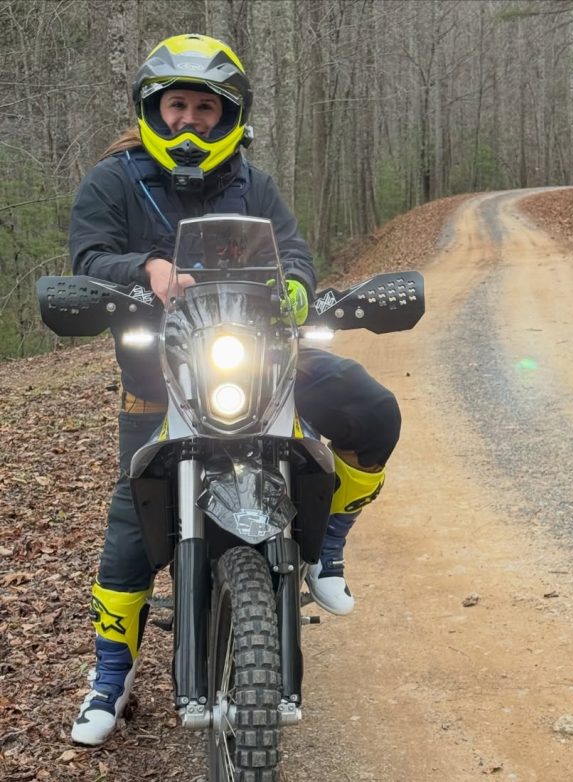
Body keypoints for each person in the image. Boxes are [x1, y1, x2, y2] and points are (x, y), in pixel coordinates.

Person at [68, 33, 400, 746]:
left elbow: (296, 252)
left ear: (229, 116)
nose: (190, 121)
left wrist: (300, 287)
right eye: (176, 106)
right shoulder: (115, 181)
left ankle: (329, 536)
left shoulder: (253, 182)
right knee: (131, 531)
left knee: (371, 410)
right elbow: (88, 256)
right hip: (160, 376)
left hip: (264, 358)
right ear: (153, 112)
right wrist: (145, 270)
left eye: (205, 109)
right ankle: (108, 674)